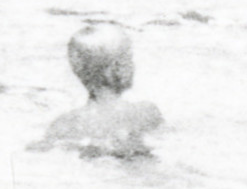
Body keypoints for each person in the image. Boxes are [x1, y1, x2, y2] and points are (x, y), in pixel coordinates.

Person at [39, 23, 164, 160]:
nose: (133, 65)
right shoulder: (145, 112)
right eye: (128, 59)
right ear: (116, 68)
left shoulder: (65, 123)